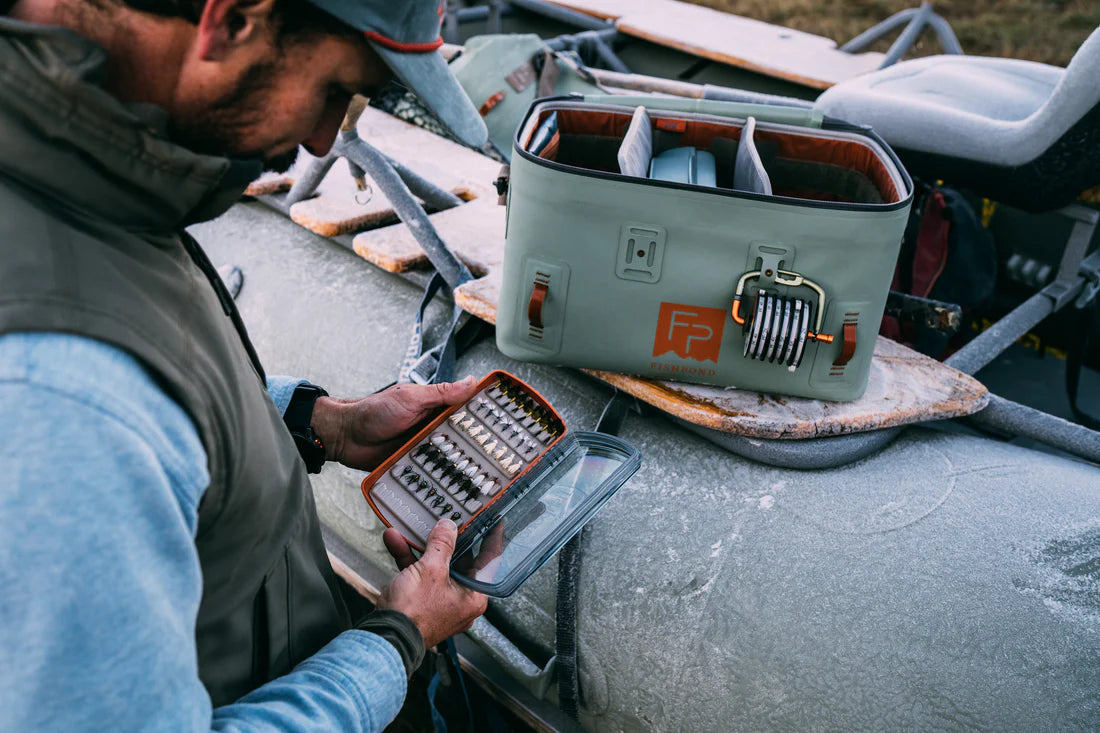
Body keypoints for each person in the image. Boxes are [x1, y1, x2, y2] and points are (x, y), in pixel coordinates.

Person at [0, 0, 494, 729]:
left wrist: (314, 420)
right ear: (230, 18)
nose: (329, 134)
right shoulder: (63, 400)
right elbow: (94, 406)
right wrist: (395, 641)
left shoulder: (78, 175)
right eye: (333, 90)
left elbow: (142, 408)